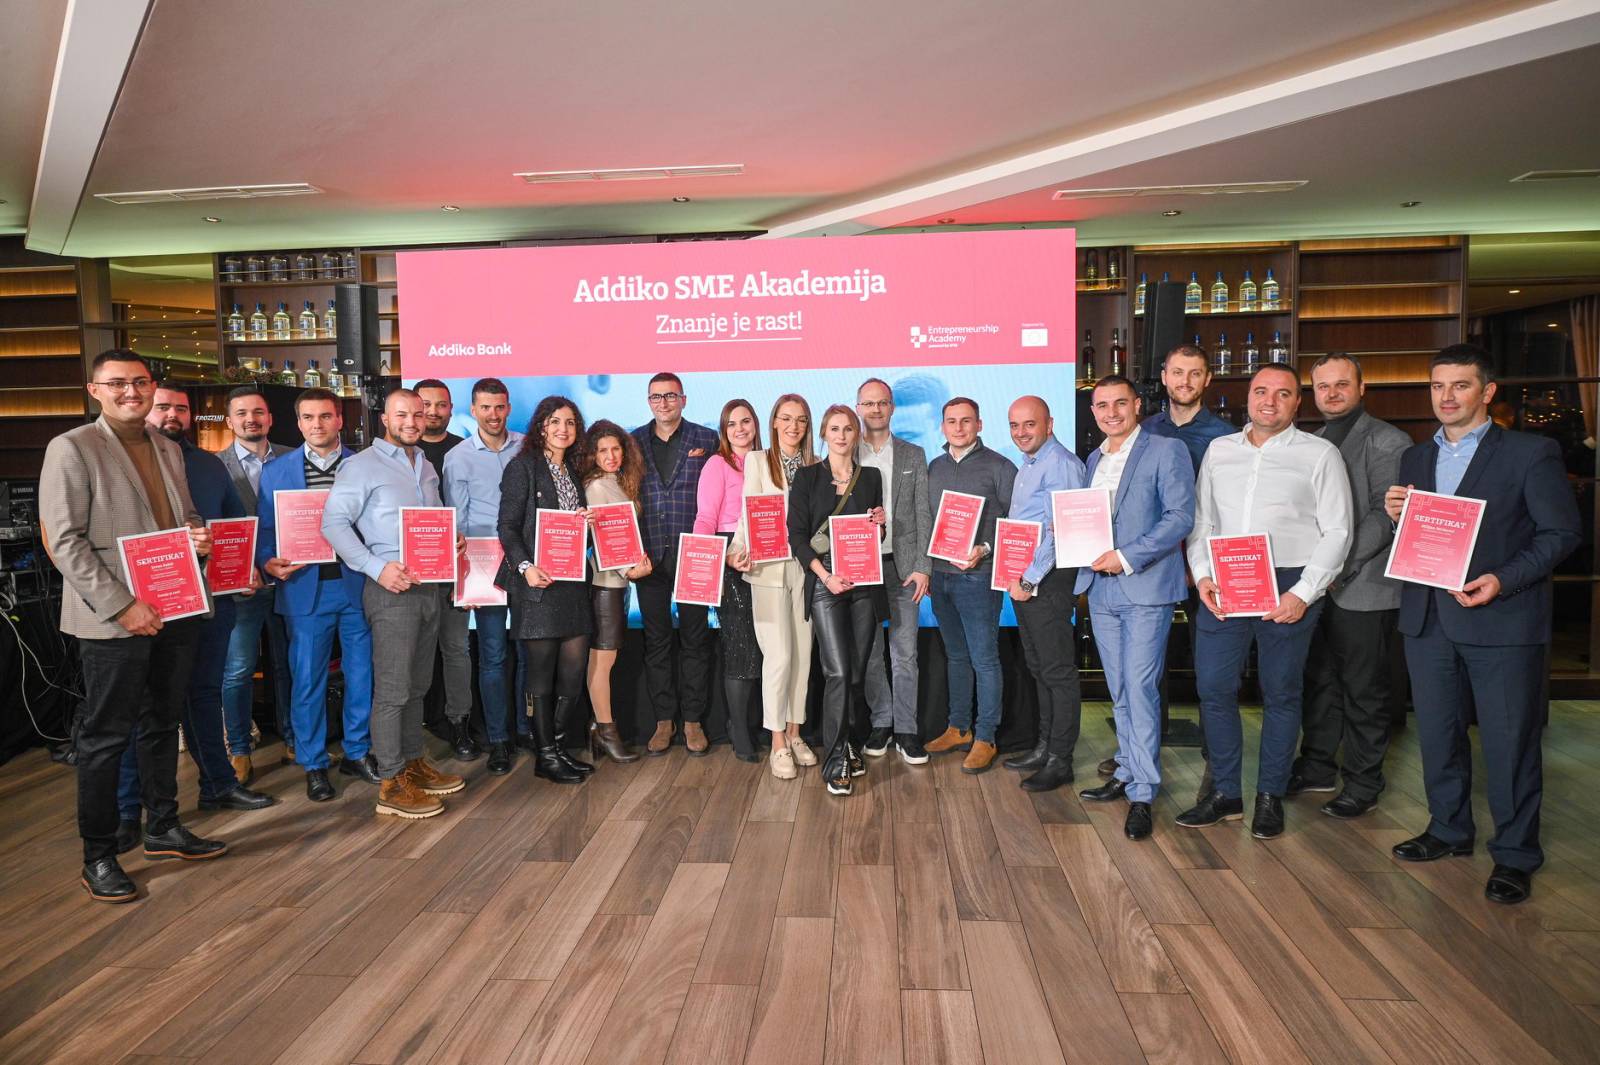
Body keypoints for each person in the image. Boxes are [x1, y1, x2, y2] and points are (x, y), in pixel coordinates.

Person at [1385, 344, 1581, 905]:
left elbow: (1562, 533)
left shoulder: (1531, 452)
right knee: (1437, 733)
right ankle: (1449, 829)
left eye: (1460, 385)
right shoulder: (1415, 458)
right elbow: (1424, 539)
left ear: (1487, 392)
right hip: (1428, 618)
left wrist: (1502, 579)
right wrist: (1397, 517)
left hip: (1502, 619)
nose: (1446, 397)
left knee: (1509, 742)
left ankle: (1516, 855)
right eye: (1437, 386)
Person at [40, 349, 224, 903]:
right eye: (117, 383)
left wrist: (199, 537)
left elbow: (184, 516)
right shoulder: (72, 447)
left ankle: (163, 827)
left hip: (174, 606)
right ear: (94, 390)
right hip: (115, 620)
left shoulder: (166, 446)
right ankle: (98, 855)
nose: (131, 392)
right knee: (104, 738)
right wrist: (122, 606)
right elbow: (64, 542)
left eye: (140, 382)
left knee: (162, 723)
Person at [1179, 364, 1351, 840]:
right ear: (1248, 397)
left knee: (1281, 692)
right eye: (1260, 391)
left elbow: (1338, 530)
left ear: (1298, 402)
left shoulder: (1320, 454)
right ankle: (1225, 795)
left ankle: (1270, 795)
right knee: (1214, 688)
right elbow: (1202, 521)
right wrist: (1203, 574)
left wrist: (1303, 593)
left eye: (1283, 393)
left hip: (1290, 581)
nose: (1269, 401)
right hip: (1227, 579)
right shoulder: (1220, 450)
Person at [113, 385, 275, 849]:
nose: (172, 414)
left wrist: (244, 569)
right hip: (144, 607)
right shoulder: (121, 460)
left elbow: (230, 528)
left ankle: (218, 785)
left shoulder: (207, 465)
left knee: (204, 694)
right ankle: (128, 810)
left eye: (181, 408)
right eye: (163, 406)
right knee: (141, 710)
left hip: (209, 602)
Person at [323, 388, 465, 818]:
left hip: (429, 587)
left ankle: (412, 762)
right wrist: (375, 567)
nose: (412, 422)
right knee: (393, 689)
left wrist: (451, 539)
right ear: (384, 418)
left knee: (418, 685)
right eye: (402, 414)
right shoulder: (361, 465)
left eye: (418, 414)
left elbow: (428, 523)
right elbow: (333, 523)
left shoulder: (425, 466)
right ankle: (390, 781)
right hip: (391, 591)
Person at [1073, 377, 1195, 839]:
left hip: (1145, 586)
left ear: (1138, 405)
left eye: (1120, 403)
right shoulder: (1093, 459)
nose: (1111, 412)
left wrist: (1125, 557)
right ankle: (1126, 770)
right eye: (1102, 405)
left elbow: (1180, 517)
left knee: (1141, 687)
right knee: (1120, 687)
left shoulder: (1166, 450)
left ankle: (1143, 791)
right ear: (1093, 412)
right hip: (1101, 590)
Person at [1291, 354, 1412, 818]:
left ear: (1362, 389)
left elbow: (1387, 515)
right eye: (1323, 386)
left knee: (1364, 690)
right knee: (1320, 680)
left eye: (1342, 384)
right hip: (1318, 586)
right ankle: (1317, 767)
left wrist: (1334, 567)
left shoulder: (1387, 441)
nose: (1332, 393)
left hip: (1364, 585)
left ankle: (1363, 782)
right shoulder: (1315, 441)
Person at [257, 388, 377, 802]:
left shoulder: (364, 465)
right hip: (304, 589)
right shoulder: (276, 472)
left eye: (325, 416)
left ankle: (357, 751)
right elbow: (266, 530)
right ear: (298, 423)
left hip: (356, 584)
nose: (317, 425)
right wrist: (267, 560)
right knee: (307, 679)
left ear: (340, 420)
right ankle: (313, 763)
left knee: (362, 674)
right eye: (308, 417)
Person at [1139, 343, 1235, 797]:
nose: (1185, 382)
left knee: (1211, 668)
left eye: (1194, 373)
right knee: (1148, 664)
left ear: (1207, 379)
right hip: (1156, 561)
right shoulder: (1143, 431)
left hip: (1208, 567)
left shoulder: (1226, 437)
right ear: (1164, 376)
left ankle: (1217, 764)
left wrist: (1205, 565)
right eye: (1177, 372)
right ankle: (1143, 751)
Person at [787, 404, 887, 796]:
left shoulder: (871, 477)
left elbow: (872, 537)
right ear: (824, 434)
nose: (841, 435)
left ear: (856, 434)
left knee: (857, 674)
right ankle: (834, 762)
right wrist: (825, 576)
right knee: (838, 673)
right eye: (834, 429)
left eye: (848, 429)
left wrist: (880, 525)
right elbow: (797, 537)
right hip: (825, 581)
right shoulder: (808, 477)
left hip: (863, 581)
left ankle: (849, 744)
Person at [498, 395, 595, 784]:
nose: (563, 429)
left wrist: (585, 523)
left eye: (570, 423)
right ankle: (546, 756)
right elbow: (507, 526)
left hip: (572, 584)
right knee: (540, 676)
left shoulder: (574, 470)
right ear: (541, 426)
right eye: (555, 422)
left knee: (573, 674)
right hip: (537, 586)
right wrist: (525, 568)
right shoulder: (522, 467)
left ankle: (556, 745)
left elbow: (575, 534)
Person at [923, 398, 1017, 773]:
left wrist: (985, 548)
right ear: (942, 427)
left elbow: (1016, 522)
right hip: (941, 576)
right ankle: (959, 727)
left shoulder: (1000, 466)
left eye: (966, 421)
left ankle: (986, 737)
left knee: (984, 659)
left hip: (979, 578)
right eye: (952, 421)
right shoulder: (934, 467)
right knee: (956, 656)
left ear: (979, 424)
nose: (959, 428)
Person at [999, 395, 1088, 793]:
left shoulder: (1061, 464)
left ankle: (1060, 760)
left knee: (1057, 672)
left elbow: (1060, 532)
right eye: (1014, 425)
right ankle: (1045, 747)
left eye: (1029, 424)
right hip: (1028, 578)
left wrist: (1029, 579)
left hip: (1048, 580)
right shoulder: (1031, 463)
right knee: (1039, 667)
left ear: (1049, 424)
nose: (1021, 432)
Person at [730, 394, 819, 779]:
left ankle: (796, 734)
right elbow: (746, 515)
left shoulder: (817, 465)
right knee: (779, 656)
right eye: (786, 418)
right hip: (766, 569)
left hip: (806, 569)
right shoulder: (757, 461)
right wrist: (735, 551)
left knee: (802, 656)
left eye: (800, 419)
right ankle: (778, 740)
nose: (793, 426)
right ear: (774, 422)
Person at [631, 372, 719, 755]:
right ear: (648, 401)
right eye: (656, 397)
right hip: (648, 557)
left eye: (670, 396)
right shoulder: (632, 442)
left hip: (695, 556)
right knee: (656, 642)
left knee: (696, 641)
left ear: (683, 399)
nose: (663, 403)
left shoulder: (707, 439)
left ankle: (693, 720)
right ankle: (664, 720)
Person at [440, 378, 523, 772]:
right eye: (486, 407)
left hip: (525, 562)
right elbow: (455, 521)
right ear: (473, 410)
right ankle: (499, 739)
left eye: (500, 407)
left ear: (508, 408)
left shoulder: (526, 446)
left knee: (529, 652)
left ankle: (526, 730)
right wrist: (463, 580)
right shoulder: (457, 457)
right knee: (492, 655)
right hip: (484, 566)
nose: (493, 414)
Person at [216, 385, 295, 772]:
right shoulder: (214, 466)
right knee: (238, 670)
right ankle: (239, 748)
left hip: (292, 579)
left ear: (270, 418)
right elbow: (210, 525)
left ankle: (294, 740)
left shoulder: (294, 458)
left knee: (290, 666)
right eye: (242, 413)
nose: (251, 419)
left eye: (258, 412)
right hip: (242, 586)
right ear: (229, 421)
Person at [856, 378, 932, 766]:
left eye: (882, 402)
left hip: (903, 569)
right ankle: (881, 722)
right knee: (869, 653)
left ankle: (906, 729)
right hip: (861, 569)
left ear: (892, 408)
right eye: (868, 403)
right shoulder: (845, 451)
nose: (875, 409)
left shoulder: (913, 454)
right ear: (858, 408)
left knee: (905, 654)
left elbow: (923, 512)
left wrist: (922, 566)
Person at [695, 399, 765, 762]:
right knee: (740, 648)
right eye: (732, 424)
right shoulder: (717, 464)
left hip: (768, 554)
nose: (740, 429)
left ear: (756, 424)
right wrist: (719, 557)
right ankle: (738, 729)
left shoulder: (768, 462)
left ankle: (758, 725)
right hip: (731, 557)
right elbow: (705, 519)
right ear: (724, 430)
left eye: (745, 421)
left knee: (767, 648)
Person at [581, 420, 653, 765]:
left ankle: (598, 728)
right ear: (592, 455)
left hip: (618, 584)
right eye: (602, 451)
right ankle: (606, 732)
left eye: (615, 449)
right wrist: (629, 570)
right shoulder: (597, 486)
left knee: (607, 658)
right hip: (606, 583)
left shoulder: (618, 481)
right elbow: (604, 538)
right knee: (602, 659)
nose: (610, 456)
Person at [414, 377, 470, 753]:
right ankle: (412, 732)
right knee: (413, 654)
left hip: (455, 569)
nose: (433, 412)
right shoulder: (397, 453)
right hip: (410, 574)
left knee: (456, 649)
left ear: (451, 409)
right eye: (425, 405)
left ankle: (459, 722)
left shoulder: (465, 451)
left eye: (441, 405)